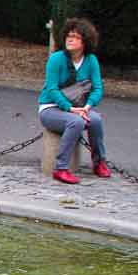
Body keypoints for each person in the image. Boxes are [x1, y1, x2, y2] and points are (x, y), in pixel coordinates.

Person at [39, 18, 109, 184]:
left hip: (79, 107)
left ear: (85, 41)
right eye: (69, 36)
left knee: (96, 120)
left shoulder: (91, 60)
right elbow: (52, 88)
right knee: (75, 122)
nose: (70, 39)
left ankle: (99, 162)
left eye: (76, 37)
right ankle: (61, 168)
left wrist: (87, 106)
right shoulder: (56, 59)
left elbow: (97, 88)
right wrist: (70, 109)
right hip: (51, 109)